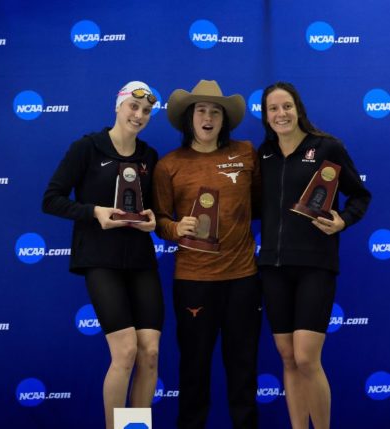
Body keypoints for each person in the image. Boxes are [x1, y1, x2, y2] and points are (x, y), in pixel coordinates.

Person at [43, 81, 162, 429]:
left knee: (150, 353)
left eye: (145, 112)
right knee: (125, 352)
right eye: (133, 108)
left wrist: (153, 218)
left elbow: (150, 208)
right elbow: (51, 199)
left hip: (140, 261)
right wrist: (94, 212)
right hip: (99, 259)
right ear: (118, 106)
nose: (138, 116)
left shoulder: (149, 156)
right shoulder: (87, 148)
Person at [258, 82, 370, 429]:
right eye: (273, 109)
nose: (281, 114)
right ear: (265, 116)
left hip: (314, 265)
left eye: (286, 106)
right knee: (288, 358)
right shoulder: (264, 155)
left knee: (307, 357)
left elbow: (359, 195)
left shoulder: (326, 147)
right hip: (273, 267)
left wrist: (343, 221)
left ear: (298, 109)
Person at [152, 80, 260, 429]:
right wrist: (174, 229)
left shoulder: (245, 152)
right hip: (193, 281)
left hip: (243, 279)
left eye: (216, 111)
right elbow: (160, 220)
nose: (208, 117)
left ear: (224, 120)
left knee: (243, 368)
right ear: (189, 118)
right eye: (201, 110)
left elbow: (260, 203)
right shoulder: (169, 165)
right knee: (194, 369)